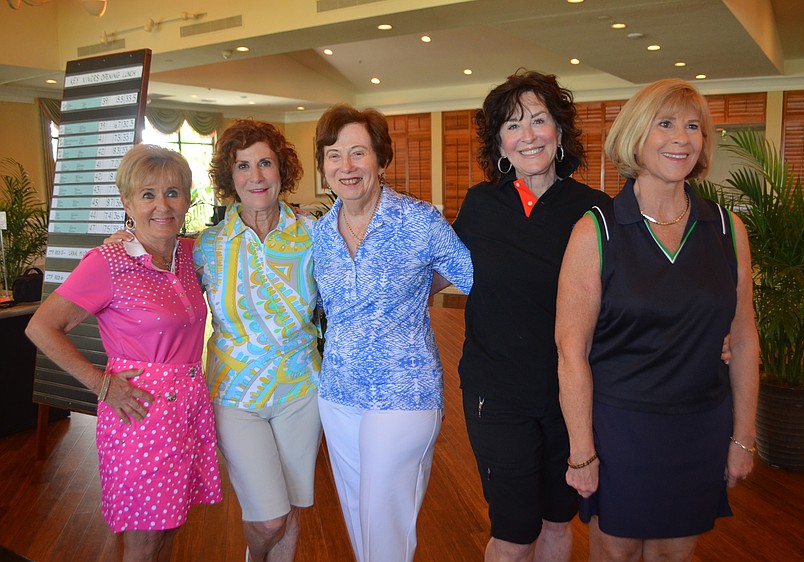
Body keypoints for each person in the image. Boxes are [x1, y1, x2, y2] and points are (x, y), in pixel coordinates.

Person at [555, 78, 759, 561]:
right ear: (635, 136)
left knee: (674, 553)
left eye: (693, 126)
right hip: (622, 430)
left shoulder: (727, 229)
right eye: (665, 124)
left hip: (701, 425)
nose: (682, 138)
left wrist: (744, 437)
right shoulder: (596, 230)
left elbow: (744, 340)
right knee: (617, 552)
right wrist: (582, 451)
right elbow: (571, 352)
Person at [26, 144, 222, 561]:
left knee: (170, 525)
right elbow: (41, 327)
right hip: (140, 413)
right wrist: (101, 384)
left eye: (173, 192)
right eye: (148, 194)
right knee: (144, 539)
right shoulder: (108, 261)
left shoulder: (189, 255)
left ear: (188, 200)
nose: (162, 205)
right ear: (128, 203)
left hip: (187, 410)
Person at [452, 70, 610, 561]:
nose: (528, 135)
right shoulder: (480, 204)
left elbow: (627, 295)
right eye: (513, 125)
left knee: (558, 522)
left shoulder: (595, 210)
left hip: (570, 396)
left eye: (539, 120)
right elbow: (433, 270)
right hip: (497, 395)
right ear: (499, 143)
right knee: (514, 533)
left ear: (559, 132)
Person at [312, 103, 473, 562]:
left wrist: (419, 284)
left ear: (381, 160)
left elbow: (472, 275)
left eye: (358, 152)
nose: (346, 166)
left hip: (404, 392)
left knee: (384, 526)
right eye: (334, 155)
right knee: (360, 523)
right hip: (338, 393)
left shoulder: (418, 220)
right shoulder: (320, 233)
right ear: (324, 167)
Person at [195, 120, 322, 562]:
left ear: (281, 169)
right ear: (229, 178)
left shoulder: (313, 235)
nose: (256, 176)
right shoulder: (207, 246)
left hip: (302, 390)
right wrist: (125, 239)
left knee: (293, 506)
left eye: (265, 163)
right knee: (269, 517)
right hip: (235, 394)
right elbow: (162, 290)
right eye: (243, 166)